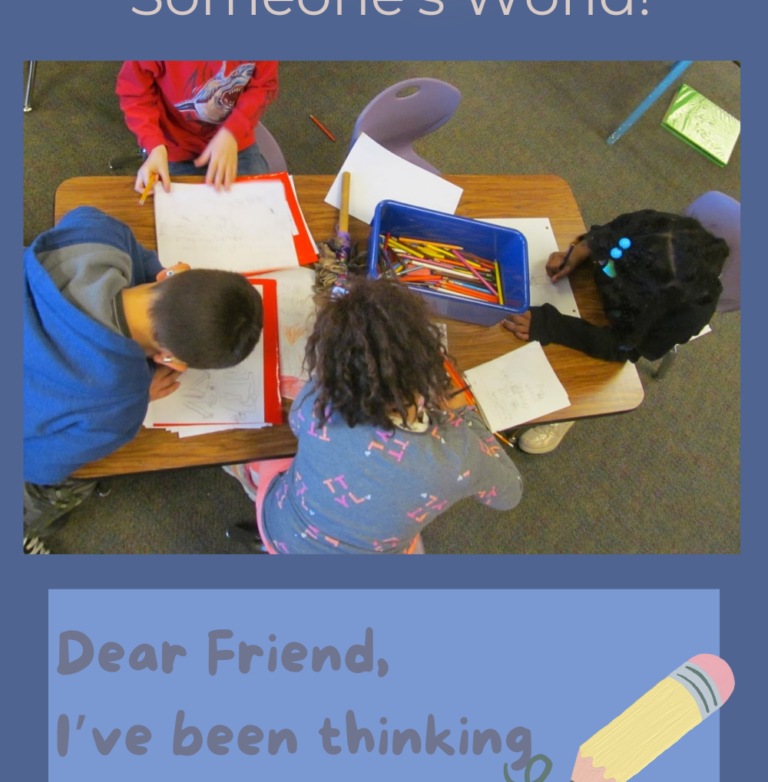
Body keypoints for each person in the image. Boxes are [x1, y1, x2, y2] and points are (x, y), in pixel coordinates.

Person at [226, 278, 523, 554]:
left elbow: (296, 425)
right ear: (428, 365)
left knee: (263, 454)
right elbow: (509, 495)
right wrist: (464, 415)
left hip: (281, 534)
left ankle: (251, 493)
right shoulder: (459, 455)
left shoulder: (318, 399)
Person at [24, 206, 263, 544]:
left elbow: (82, 217)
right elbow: (38, 466)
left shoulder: (100, 235)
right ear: (169, 357)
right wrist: (143, 381)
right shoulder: (120, 407)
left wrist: (159, 276)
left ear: (175, 273)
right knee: (64, 485)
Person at [503, 209, 730, 453]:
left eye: (612, 269)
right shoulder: (654, 227)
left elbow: (623, 348)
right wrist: (580, 251)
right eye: (608, 262)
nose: (605, 267)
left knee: (580, 372)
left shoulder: (688, 311)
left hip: (621, 333)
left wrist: (551, 324)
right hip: (607, 302)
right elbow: (609, 234)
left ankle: (570, 411)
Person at [116, 60, 279, 193]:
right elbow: (135, 94)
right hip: (173, 147)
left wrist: (232, 132)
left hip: (235, 142)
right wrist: (155, 146)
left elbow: (263, 87)